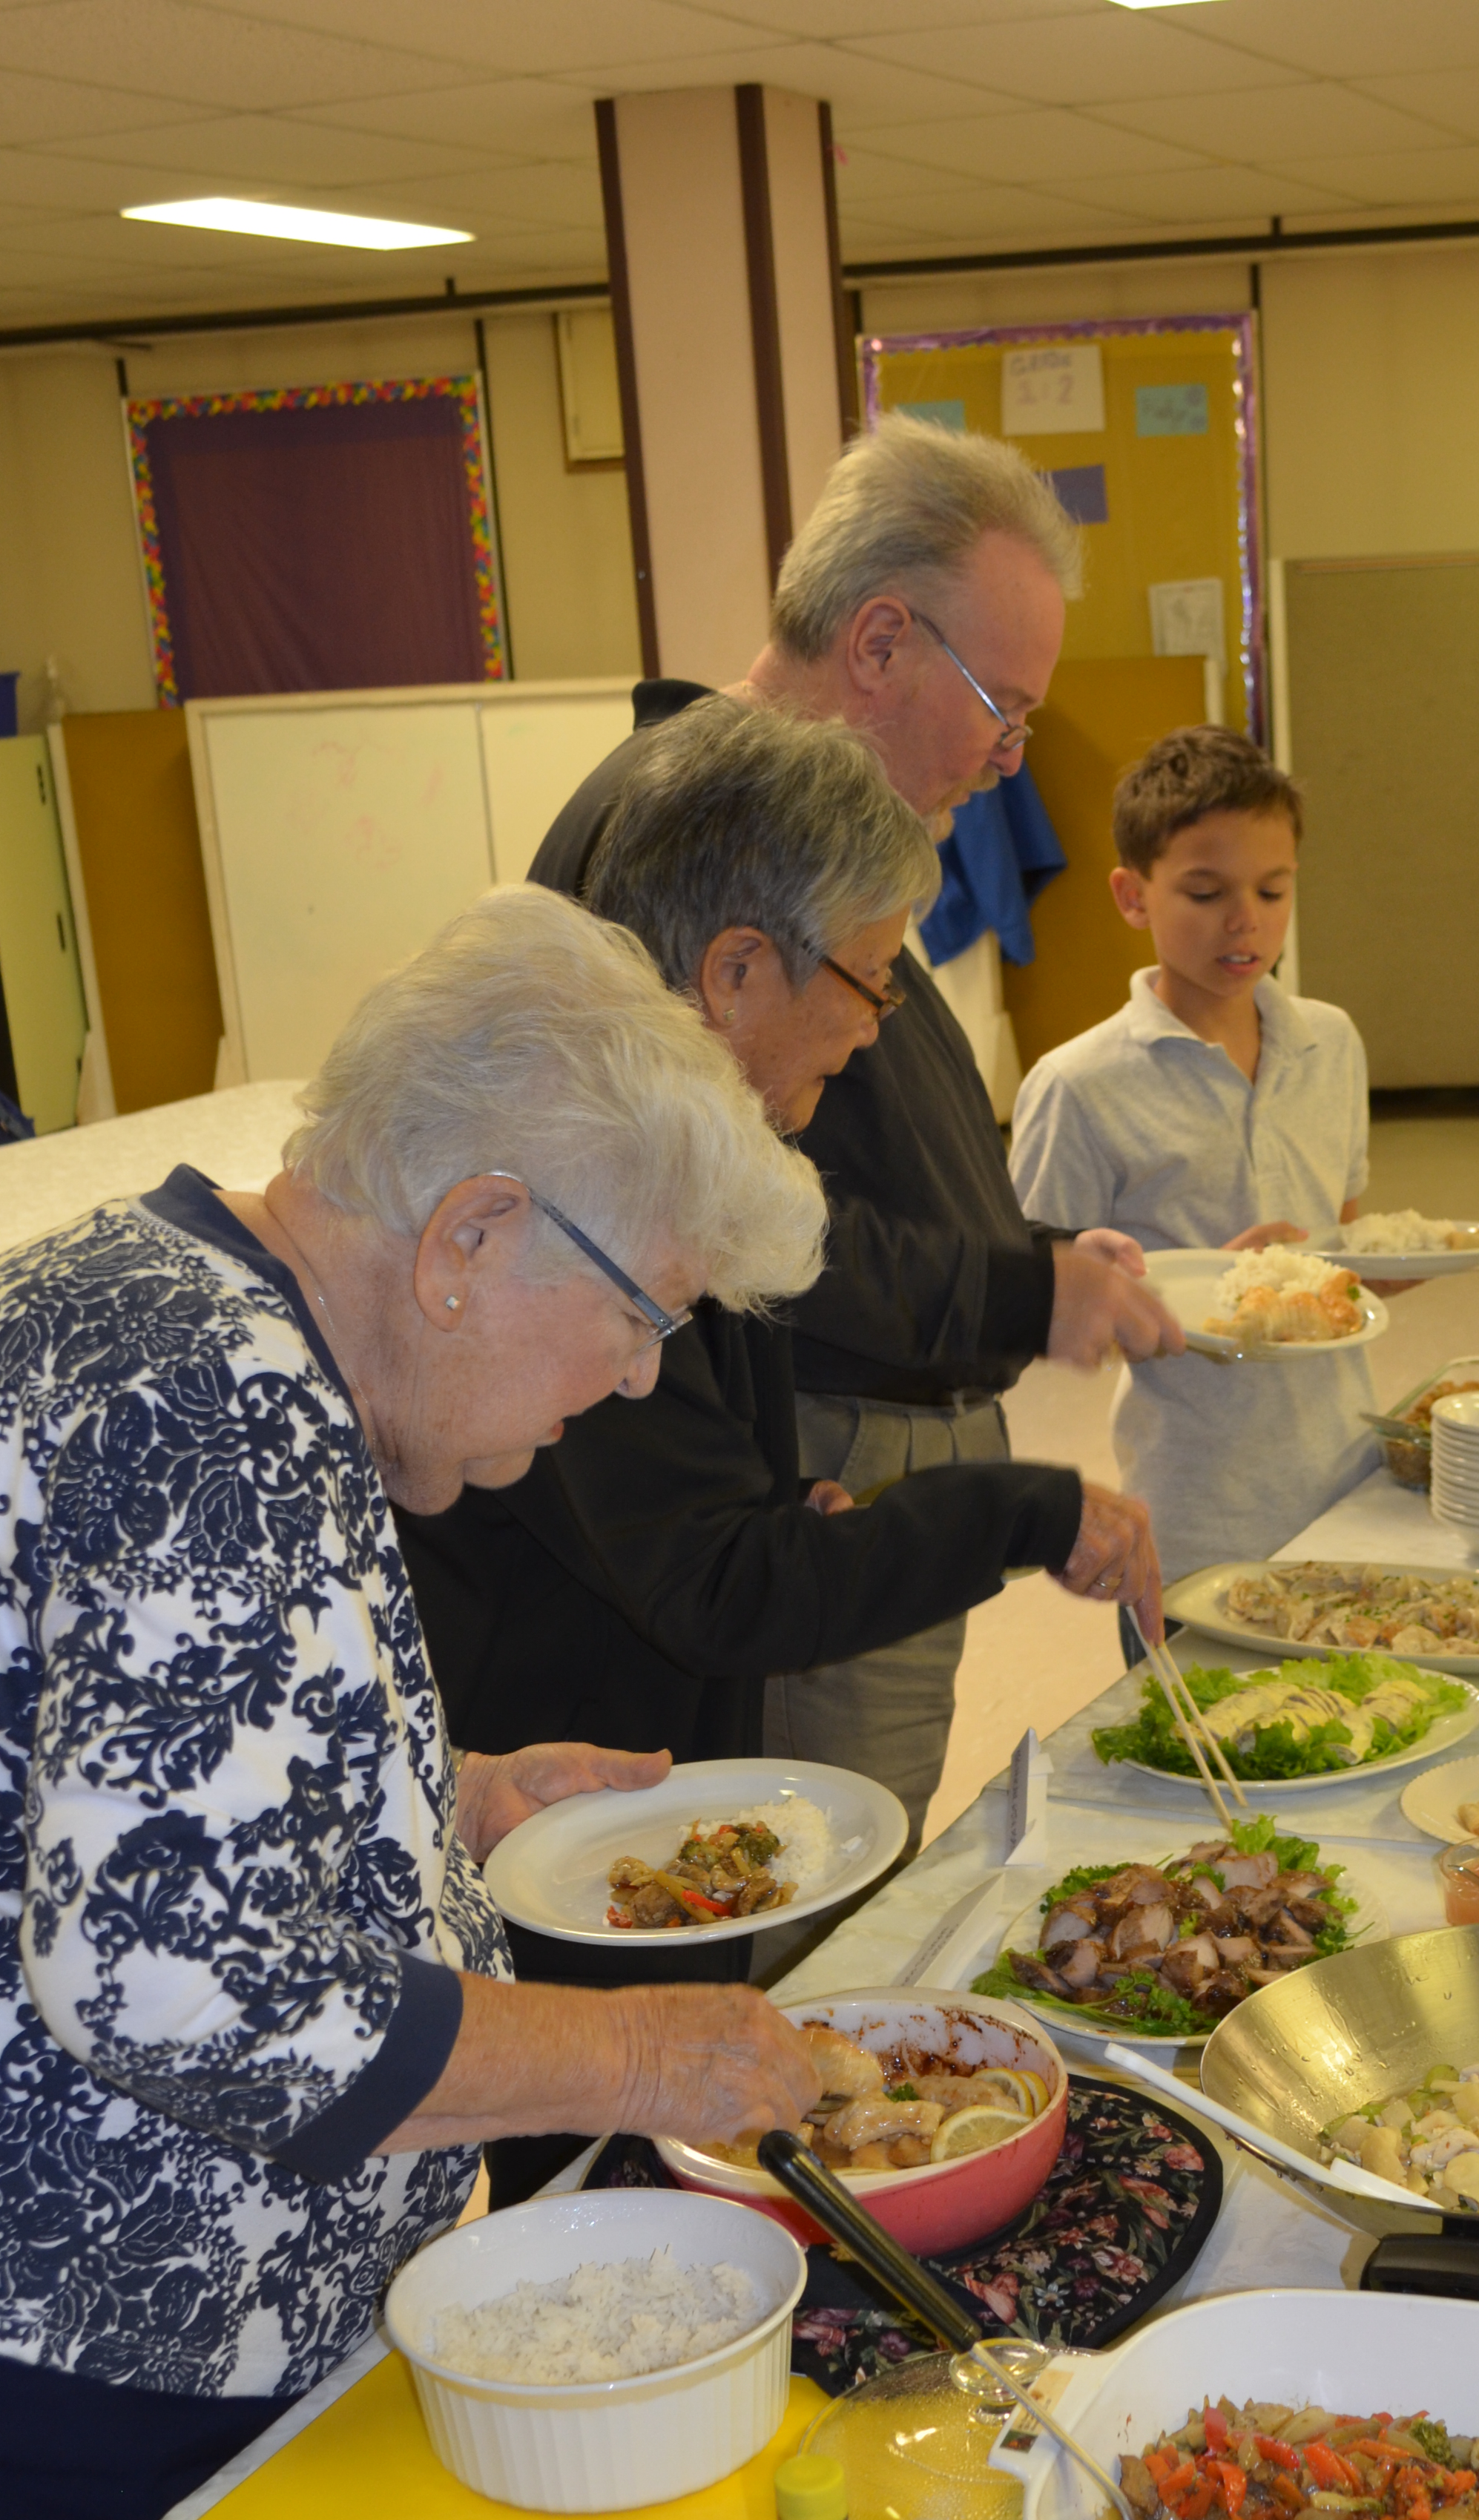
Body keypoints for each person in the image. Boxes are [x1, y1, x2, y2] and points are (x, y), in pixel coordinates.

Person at [0, 886, 829, 2520]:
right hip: (62, 2355)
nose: (639, 1378)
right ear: (472, 1233)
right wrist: (641, 2060)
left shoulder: (173, 1305)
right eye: (639, 1315)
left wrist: (439, 1798)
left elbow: (97, 1773)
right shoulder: (220, 1409)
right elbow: (173, 1982)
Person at [528, 420, 1188, 1831]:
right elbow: (758, 1222)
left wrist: (1042, 1255)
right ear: (878, 642)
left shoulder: (823, 841)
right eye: (1000, 707)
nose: (1011, 758)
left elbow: (866, 1151)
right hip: (794, 1467)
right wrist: (1020, 1287)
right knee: (818, 1879)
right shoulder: (697, 832)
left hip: (841, 1455)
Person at [401, 697, 1162, 1843]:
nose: (874, 1032)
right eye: (869, 981)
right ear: (737, 971)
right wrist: (1022, 1512)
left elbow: (680, 1502)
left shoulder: (703, 1150)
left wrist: (765, 1497)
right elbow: (712, 1584)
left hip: (630, 1769)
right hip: (550, 1823)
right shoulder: (576, 1188)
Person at [1009, 727, 1377, 1588]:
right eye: (1205, 892)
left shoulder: (1333, 1041)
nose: (1246, 920)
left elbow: (1348, 1247)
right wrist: (1219, 1286)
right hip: (1198, 1501)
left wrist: (1353, 1272)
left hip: (1348, 1472)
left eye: (1273, 889)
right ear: (1132, 895)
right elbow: (1036, 1315)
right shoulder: (1078, 1086)